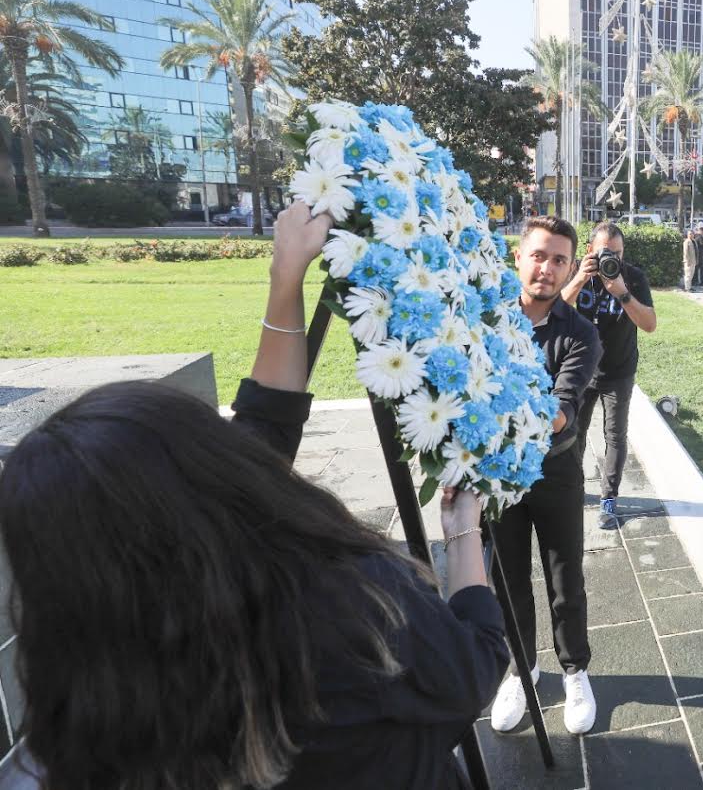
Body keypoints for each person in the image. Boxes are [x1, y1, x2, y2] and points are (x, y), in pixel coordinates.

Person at [0, 202, 509, 790]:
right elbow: (472, 668)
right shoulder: (347, 600)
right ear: (202, 474)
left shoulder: (86, 705)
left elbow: (264, 424)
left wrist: (286, 275)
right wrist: (464, 532)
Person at [489, 215, 604, 736]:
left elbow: (561, 409)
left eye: (560, 259)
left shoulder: (581, 335)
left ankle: (574, 669)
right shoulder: (485, 320)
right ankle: (522, 670)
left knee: (565, 581)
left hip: (555, 473)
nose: (547, 267)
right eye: (538, 255)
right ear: (519, 257)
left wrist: (491, 392)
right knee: (507, 580)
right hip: (498, 475)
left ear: (570, 268)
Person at [562, 221, 658, 530]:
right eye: (606, 253)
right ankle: (575, 489)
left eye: (617, 253)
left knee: (615, 435)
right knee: (574, 432)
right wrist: (579, 277)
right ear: (590, 250)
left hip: (619, 370)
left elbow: (650, 324)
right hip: (581, 368)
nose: (611, 260)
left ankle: (608, 499)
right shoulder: (579, 272)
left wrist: (623, 294)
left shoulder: (632, 278)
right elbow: (555, 309)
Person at [683, 228, 698, 292]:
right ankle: (687, 288)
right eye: (690, 234)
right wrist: (687, 261)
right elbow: (685, 252)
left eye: (692, 234)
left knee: (691, 275)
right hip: (688, 262)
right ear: (687, 235)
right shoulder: (686, 242)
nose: (691, 235)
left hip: (694, 261)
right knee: (688, 275)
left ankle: (690, 287)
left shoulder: (694, 241)